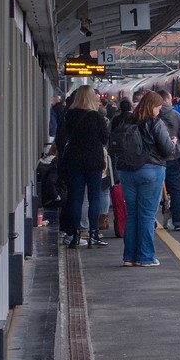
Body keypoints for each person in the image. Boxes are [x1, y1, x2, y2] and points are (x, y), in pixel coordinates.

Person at [119, 91, 176, 267]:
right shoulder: (155, 122)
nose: (159, 111)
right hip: (150, 171)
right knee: (147, 215)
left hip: (127, 172)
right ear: (153, 106)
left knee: (132, 214)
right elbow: (167, 150)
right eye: (158, 107)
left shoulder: (127, 121)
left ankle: (129, 257)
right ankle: (145, 257)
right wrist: (173, 142)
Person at [59, 85, 109, 248]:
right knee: (94, 197)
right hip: (93, 161)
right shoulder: (96, 116)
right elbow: (104, 138)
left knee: (76, 198)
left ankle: (75, 235)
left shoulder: (69, 115)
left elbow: (62, 137)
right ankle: (93, 234)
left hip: (74, 160)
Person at [158, 89, 180, 230]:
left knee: (154, 191)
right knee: (175, 190)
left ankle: (151, 222)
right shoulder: (176, 115)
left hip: (155, 159)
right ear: (168, 100)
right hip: (173, 157)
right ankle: (178, 223)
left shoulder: (152, 115)